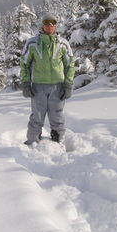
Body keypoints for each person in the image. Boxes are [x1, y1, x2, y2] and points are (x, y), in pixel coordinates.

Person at [20, 13, 75, 145]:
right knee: (37, 116)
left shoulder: (63, 44)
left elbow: (70, 65)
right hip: (38, 87)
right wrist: (26, 83)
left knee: (57, 116)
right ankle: (32, 142)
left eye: (52, 23)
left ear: (56, 26)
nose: (49, 26)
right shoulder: (32, 43)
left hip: (58, 86)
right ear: (42, 25)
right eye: (46, 23)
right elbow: (24, 64)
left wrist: (68, 84)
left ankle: (58, 142)